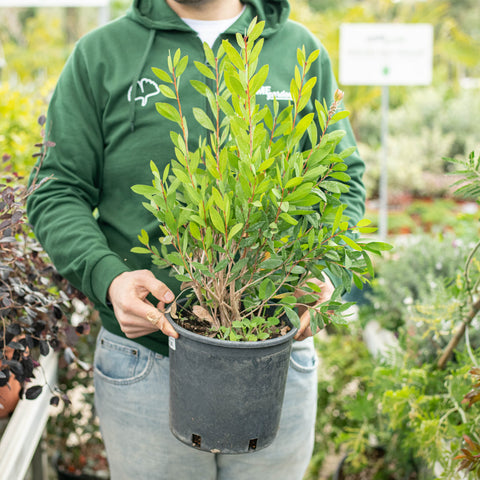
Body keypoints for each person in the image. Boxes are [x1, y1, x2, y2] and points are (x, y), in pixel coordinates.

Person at [27, 0, 366, 478]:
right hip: (145, 360)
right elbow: (55, 190)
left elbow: (343, 180)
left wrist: (326, 271)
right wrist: (108, 278)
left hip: (277, 357)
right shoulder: (101, 54)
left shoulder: (299, 50)